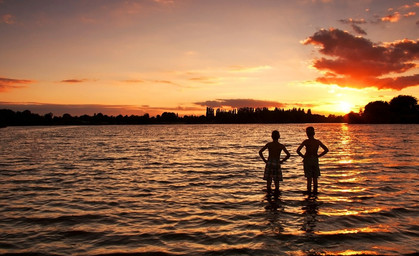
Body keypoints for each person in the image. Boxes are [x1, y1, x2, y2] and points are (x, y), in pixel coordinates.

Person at [296, 126, 329, 194]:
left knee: (309, 178)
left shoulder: (306, 142)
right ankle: (315, 193)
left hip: (307, 160)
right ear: (314, 133)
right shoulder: (317, 142)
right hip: (314, 159)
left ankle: (309, 192)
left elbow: (298, 150)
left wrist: (303, 157)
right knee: (315, 178)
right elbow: (326, 150)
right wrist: (318, 156)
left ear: (307, 134)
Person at [259, 130, 290, 195]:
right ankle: (276, 195)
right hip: (277, 163)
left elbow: (260, 152)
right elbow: (288, 155)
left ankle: (268, 195)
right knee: (277, 182)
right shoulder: (281, 145)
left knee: (268, 181)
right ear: (279, 136)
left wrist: (264, 160)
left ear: (271, 136)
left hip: (269, 162)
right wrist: (282, 161)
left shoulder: (269, 144)